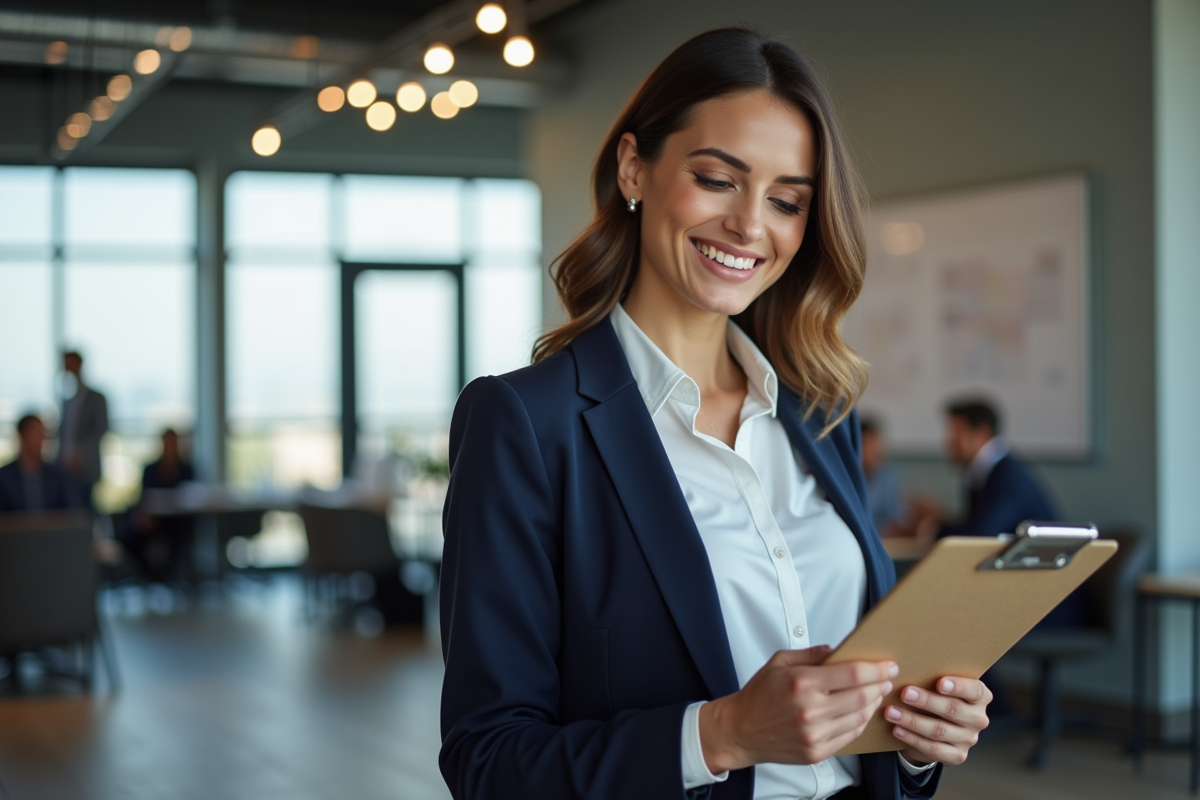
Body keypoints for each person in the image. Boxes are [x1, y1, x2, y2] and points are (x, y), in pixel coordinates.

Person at [439, 29, 990, 800]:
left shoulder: (824, 413)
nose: (750, 226)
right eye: (717, 179)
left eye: (787, 200)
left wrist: (915, 744)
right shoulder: (528, 423)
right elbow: (488, 762)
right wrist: (722, 734)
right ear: (635, 167)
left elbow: (855, 729)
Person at [930, 399, 1057, 539]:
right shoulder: (989, 473)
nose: (949, 443)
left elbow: (979, 537)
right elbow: (975, 525)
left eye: (957, 434)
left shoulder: (1007, 480)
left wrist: (932, 530)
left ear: (982, 433)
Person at [125, 429, 196, 583]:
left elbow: (192, 498)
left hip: (177, 522)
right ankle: (150, 575)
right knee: (129, 535)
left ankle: (169, 577)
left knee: (178, 535)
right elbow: (143, 498)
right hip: (154, 521)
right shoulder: (151, 469)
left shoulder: (187, 470)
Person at [57, 350, 109, 509]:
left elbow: (101, 428)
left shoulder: (96, 398)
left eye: (70, 363)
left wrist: (81, 453)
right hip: (64, 468)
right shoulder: (67, 400)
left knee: (85, 515)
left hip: (85, 469)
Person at [0, 414, 83, 512]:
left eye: (42, 435)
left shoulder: (58, 476)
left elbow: (72, 513)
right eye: (36, 434)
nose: (41, 440)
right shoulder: (4, 477)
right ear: (22, 436)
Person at [860, 417, 911, 539]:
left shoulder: (887, 475)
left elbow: (899, 517)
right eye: (870, 444)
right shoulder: (844, 479)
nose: (877, 450)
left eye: (878, 443)